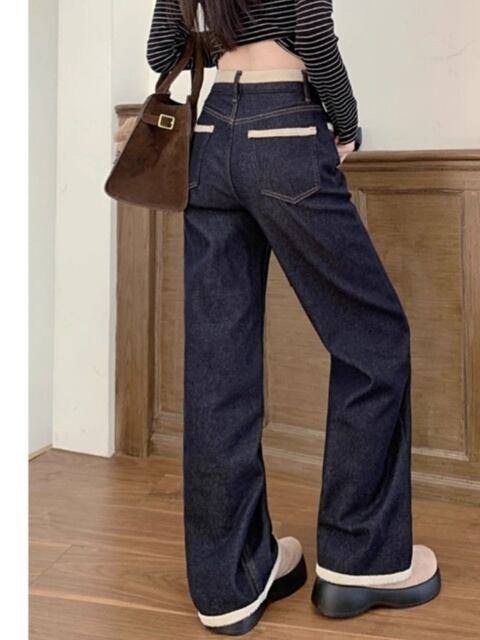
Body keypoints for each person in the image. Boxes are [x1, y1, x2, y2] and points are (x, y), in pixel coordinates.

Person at [116, 0, 443, 634]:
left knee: (218, 366)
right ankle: (360, 560)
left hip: (210, 137)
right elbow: (314, 31)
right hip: (285, 129)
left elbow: (162, 50)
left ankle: (229, 586)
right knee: (374, 341)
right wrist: (346, 124)